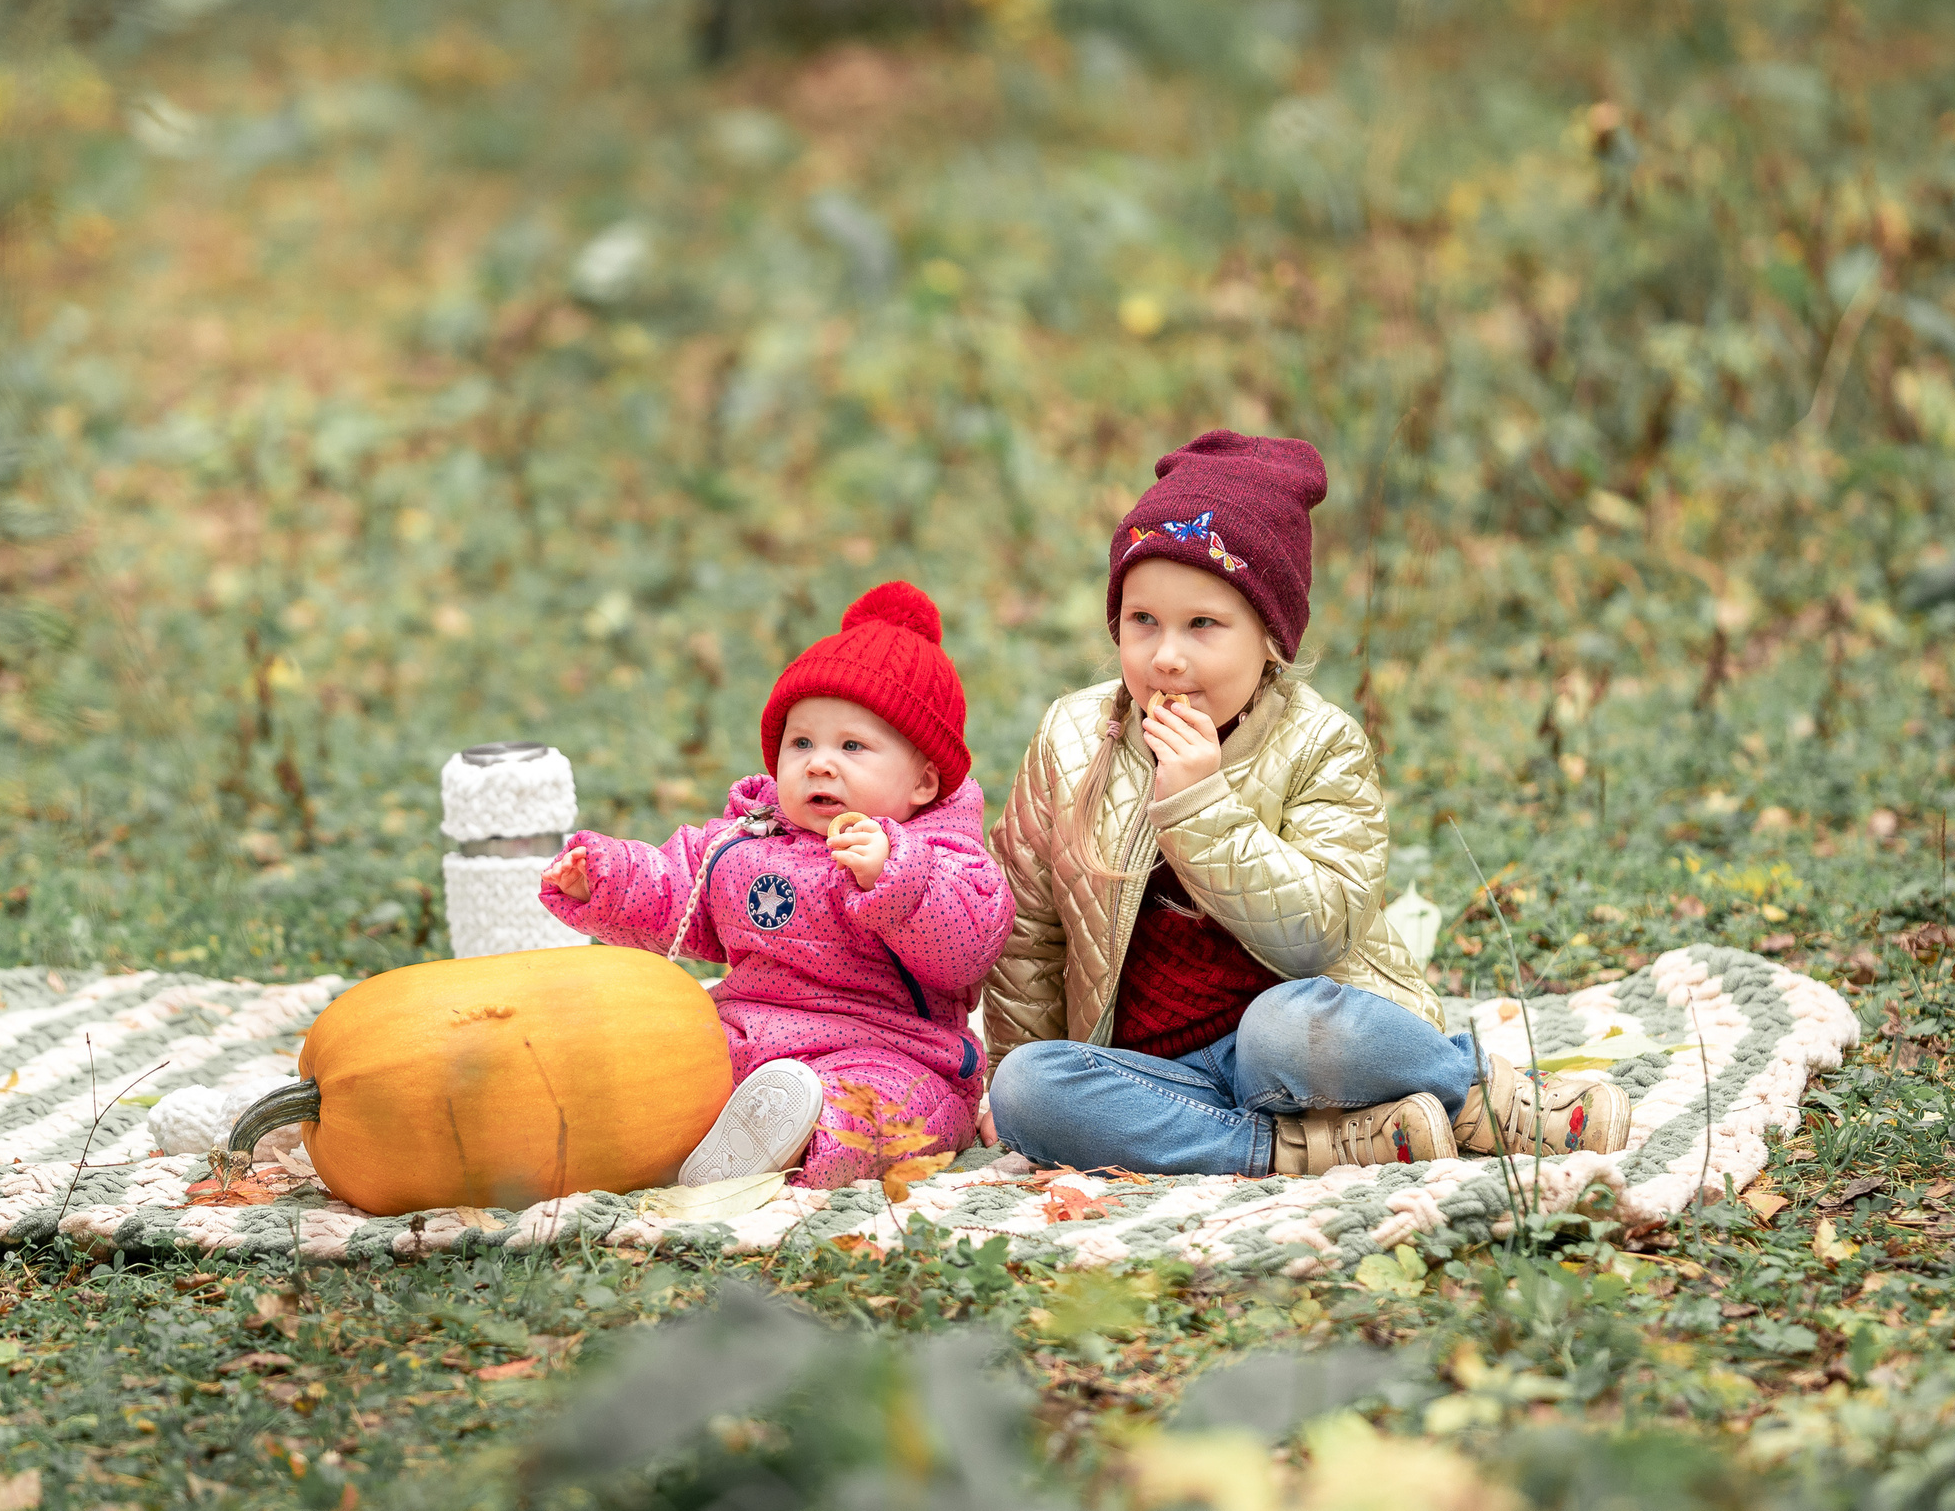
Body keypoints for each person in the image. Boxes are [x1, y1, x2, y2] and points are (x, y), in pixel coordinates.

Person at [980, 429, 1630, 1174]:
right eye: (1143, 621)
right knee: (1030, 1085)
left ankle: (1470, 1093)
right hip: (1164, 1078)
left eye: (1204, 625)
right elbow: (1029, 934)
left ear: (1270, 639)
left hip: (1302, 1050)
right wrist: (1011, 1078)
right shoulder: (1071, 738)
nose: (1166, 654)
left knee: (1280, 1028)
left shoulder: (1322, 743)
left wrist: (1200, 802)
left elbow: (1317, 931)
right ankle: (1289, 1150)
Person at [541, 582, 1011, 1189]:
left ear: (922, 782)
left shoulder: (944, 858)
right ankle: (682, 1131)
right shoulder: (744, 844)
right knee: (674, 1064)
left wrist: (896, 874)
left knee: (899, 1115)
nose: (819, 763)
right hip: (749, 1034)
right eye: (802, 743)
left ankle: (800, 1141)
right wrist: (603, 879)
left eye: (852, 746)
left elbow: (969, 943)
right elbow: (673, 887)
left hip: (889, 1049)